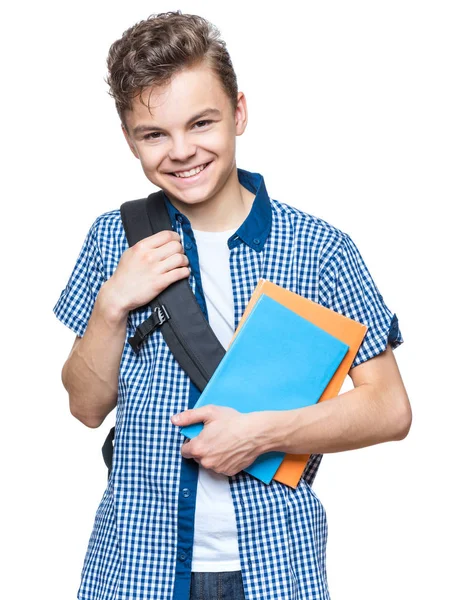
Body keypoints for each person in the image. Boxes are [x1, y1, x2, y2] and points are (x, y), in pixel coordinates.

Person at [53, 10, 412, 600]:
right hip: (135, 566)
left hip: (274, 567)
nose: (182, 151)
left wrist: (260, 434)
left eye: (201, 123)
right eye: (154, 134)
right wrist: (112, 302)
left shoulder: (319, 249)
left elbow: (391, 409)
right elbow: (86, 407)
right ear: (128, 139)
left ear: (239, 113)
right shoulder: (114, 237)